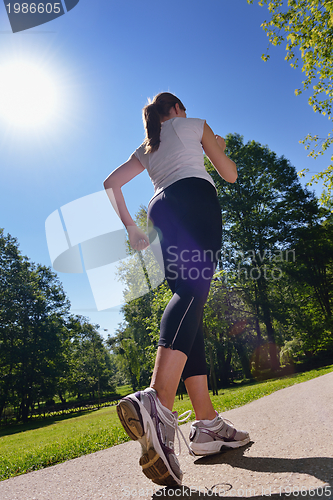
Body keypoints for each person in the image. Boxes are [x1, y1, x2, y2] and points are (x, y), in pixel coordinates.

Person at [103, 92, 250, 487]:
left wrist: (132, 228)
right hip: (194, 198)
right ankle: (157, 403)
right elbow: (230, 173)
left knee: (191, 305)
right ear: (178, 110)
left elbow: (111, 183)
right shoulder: (194, 125)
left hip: (159, 209)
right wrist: (218, 147)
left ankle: (207, 425)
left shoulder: (148, 146)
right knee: (192, 295)